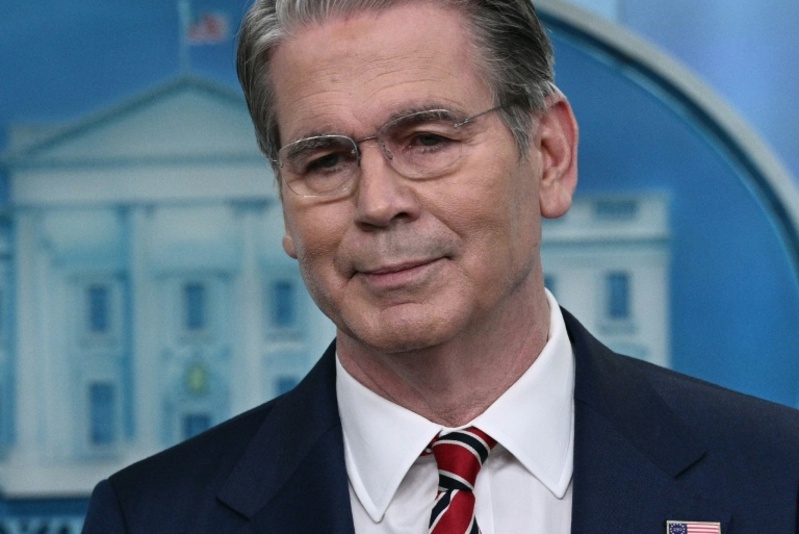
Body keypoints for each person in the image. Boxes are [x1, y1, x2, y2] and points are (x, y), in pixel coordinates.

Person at [83, 0, 799, 532]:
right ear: (284, 205)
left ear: (549, 157)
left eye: (426, 140)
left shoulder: (778, 476)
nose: (378, 203)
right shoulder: (149, 519)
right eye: (325, 161)